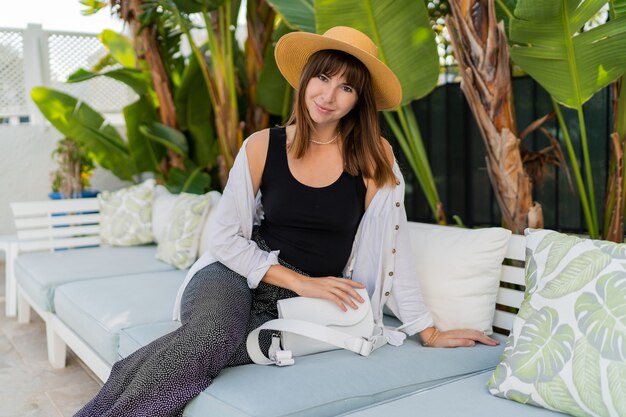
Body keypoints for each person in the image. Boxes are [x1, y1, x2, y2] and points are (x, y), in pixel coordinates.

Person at [75, 26, 498, 417]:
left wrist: (426, 330)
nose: (329, 95)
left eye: (346, 86)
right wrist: (301, 281)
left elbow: (395, 247)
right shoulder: (262, 146)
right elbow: (225, 238)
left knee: (216, 345)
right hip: (234, 274)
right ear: (305, 78)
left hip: (304, 305)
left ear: (359, 99)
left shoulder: (375, 158)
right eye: (323, 78)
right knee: (212, 336)